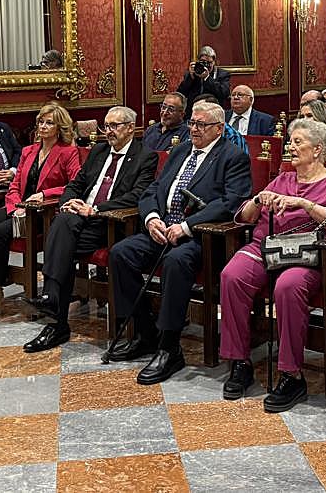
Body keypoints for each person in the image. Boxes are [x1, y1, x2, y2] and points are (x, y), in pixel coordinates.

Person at [219, 118, 326, 410]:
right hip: (266, 248)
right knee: (232, 274)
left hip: (305, 257)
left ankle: (291, 375)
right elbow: (245, 217)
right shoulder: (283, 177)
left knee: (288, 285)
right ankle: (239, 362)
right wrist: (259, 199)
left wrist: (306, 205)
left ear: (318, 149)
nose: (290, 147)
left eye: (298, 142)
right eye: (290, 141)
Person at [106, 100, 251, 384]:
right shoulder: (181, 150)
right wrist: (151, 218)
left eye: (201, 125)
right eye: (192, 123)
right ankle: (146, 332)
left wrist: (186, 227)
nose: (193, 129)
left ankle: (169, 347)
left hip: (202, 238)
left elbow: (230, 201)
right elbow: (154, 188)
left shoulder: (232, 157)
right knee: (121, 253)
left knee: (176, 261)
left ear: (219, 129)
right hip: (161, 230)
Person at [22, 106, 158, 353]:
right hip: (81, 219)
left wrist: (96, 209)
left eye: (115, 126)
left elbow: (137, 195)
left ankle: (56, 317)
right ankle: (55, 311)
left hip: (111, 222)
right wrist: (69, 203)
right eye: (107, 126)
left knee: (60, 241)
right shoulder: (98, 151)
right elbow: (76, 183)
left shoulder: (144, 156)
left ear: (130, 128)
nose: (109, 131)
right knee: (63, 222)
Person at [0, 103, 82, 324]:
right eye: (41, 121)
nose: (43, 126)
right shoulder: (28, 150)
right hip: (18, 206)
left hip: (43, 212)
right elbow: (15, 184)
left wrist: (44, 194)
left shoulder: (68, 152)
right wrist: (14, 207)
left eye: (49, 122)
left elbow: (75, 183)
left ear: (60, 127)